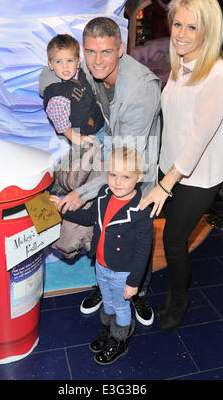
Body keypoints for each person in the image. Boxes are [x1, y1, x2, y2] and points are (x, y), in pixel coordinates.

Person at [39, 17, 161, 325]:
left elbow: (126, 163)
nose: (97, 60)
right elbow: (46, 75)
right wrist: (56, 94)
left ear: (121, 49)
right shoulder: (84, 69)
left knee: (132, 234)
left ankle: (139, 291)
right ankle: (104, 283)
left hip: (135, 165)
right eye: (90, 52)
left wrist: (80, 194)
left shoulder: (140, 91)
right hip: (108, 149)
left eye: (105, 52)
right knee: (103, 229)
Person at [139, 0, 223, 334]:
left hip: (197, 176)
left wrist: (165, 184)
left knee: (174, 240)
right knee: (165, 236)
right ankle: (160, 292)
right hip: (173, 168)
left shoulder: (219, 73)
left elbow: (199, 139)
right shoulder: (182, 63)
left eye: (192, 28)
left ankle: (179, 301)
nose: (180, 34)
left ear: (208, 31)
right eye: (177, 24)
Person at [55, 146, 153, 365]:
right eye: (113, 175)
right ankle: (110, 332)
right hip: (101, 265)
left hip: (122, 272)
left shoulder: (141, 211)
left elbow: (142, 252)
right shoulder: (103, 195)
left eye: (126, 176)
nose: (117, 182)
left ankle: (120, 340)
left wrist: (134, 283)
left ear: (140, 177)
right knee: (107, 303)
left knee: (120, 306)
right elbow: (88, 216)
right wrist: (62, 208)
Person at [43, 34, 105, 146]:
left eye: (69, 61)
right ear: (50, 64)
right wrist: (77, 139)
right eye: (58, 61)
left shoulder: (80, 74)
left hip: (99, 124)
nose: (65, 66)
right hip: (83, 136)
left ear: (78, 63)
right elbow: (61, 124)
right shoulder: (57, 95)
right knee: (98, 159)